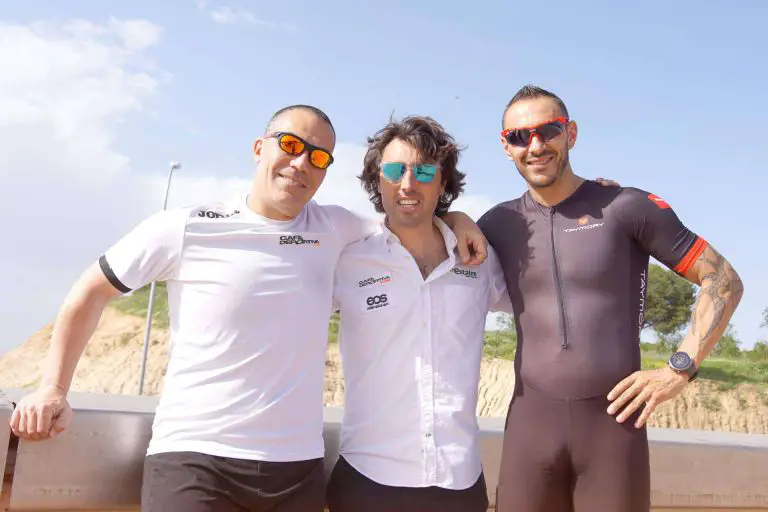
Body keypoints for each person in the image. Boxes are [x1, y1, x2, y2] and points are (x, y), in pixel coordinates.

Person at [9, 105, 488, 512]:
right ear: (260, 148)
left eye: (318, 156)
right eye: (291, 145)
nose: (301, 163)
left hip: (296, 471)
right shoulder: (187, 227)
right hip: (193, 459)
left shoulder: (337, 229)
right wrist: (53, 388)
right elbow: (90, 291)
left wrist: (457, 217)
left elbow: (410, 215)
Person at [477, 85, 744, 512]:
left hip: (613, 430)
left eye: (549, 130)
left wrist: (679, 369)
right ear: (506, 147)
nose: (536, 145)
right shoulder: (495, 224)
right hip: (530, 429)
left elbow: (723, 279)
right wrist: (458, 217)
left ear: (571, 133)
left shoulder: (625, 207)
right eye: (519, 136)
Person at [325, 115, 513, 512]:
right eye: (395, 171)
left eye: (425, 171)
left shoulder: (480, 260)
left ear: (443, 184)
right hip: (367, 480)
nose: (408, 183)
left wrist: (585, 204)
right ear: (377, 180)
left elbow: (552, 301)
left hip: (459, 483)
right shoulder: (348, 258)